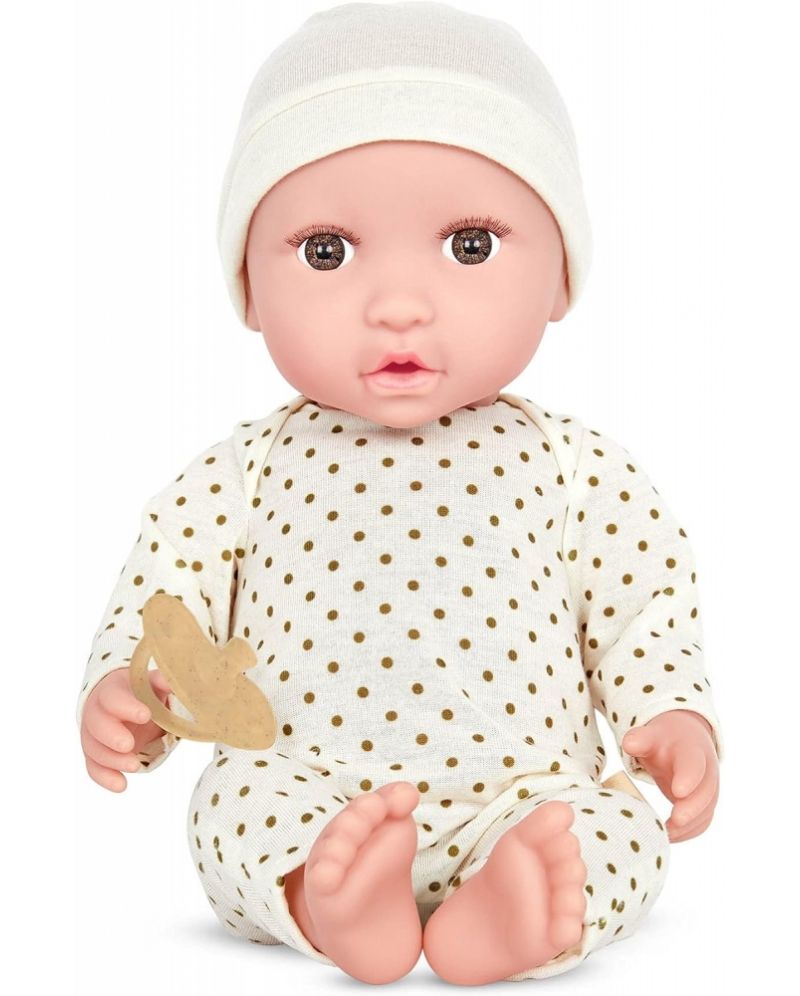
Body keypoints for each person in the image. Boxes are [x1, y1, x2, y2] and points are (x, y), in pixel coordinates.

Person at [76, 2, 723, 985]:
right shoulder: (243, 470)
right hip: (307, 789)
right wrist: (129, 689)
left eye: (470, 245)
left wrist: (670, 714)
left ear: (560, 275)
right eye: (326, 252)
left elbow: (643, 606)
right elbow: (168, 588)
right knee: (230, 807)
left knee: (617, 829)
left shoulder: (572, 465)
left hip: (526, 798)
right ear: (248, 285)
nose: (397, 305)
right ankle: (330, 898)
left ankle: (516, 909)